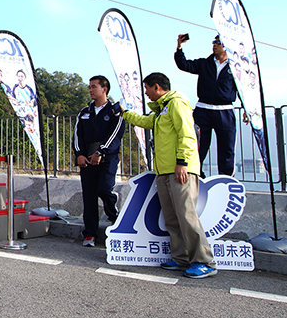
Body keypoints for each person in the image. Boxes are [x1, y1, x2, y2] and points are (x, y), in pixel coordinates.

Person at [118, 73, 217, 279]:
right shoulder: (162, 109)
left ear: (156, 87)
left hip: (180, 170)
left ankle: (204, 261)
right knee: (172, 218)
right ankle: (181, 257)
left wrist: (182, 162)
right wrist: (125, 113)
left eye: (147, 89)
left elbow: (187, 134)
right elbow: (146, 121)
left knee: (187, 216)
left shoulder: (176, 103)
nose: (146, 93)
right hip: (164, 171)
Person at [175, 34, 237, 176]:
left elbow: (244, 88)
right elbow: (184, 65)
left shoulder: (235, 67)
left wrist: (247, 110)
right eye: (213, 42)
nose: (214, 45)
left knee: (226, 148)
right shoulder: (204, 63)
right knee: (198, 146)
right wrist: (179, 48)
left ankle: (226, 179)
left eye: (218, 42)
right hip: (203, 110)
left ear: (226, 46)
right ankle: (196, 175)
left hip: (225, 111)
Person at [73, 75, 123, 247]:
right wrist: (79, 154)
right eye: (90, 87)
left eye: (94, 87)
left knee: (104, 189)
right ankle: (89, 233)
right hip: (87, 158)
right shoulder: (84, 112)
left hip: (107, 158)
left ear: (104, 89)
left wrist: (101, 151)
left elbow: (115, 134)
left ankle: (114, 216)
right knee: (89, 196)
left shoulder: (115, 110)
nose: (91, 90)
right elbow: (77, 135)